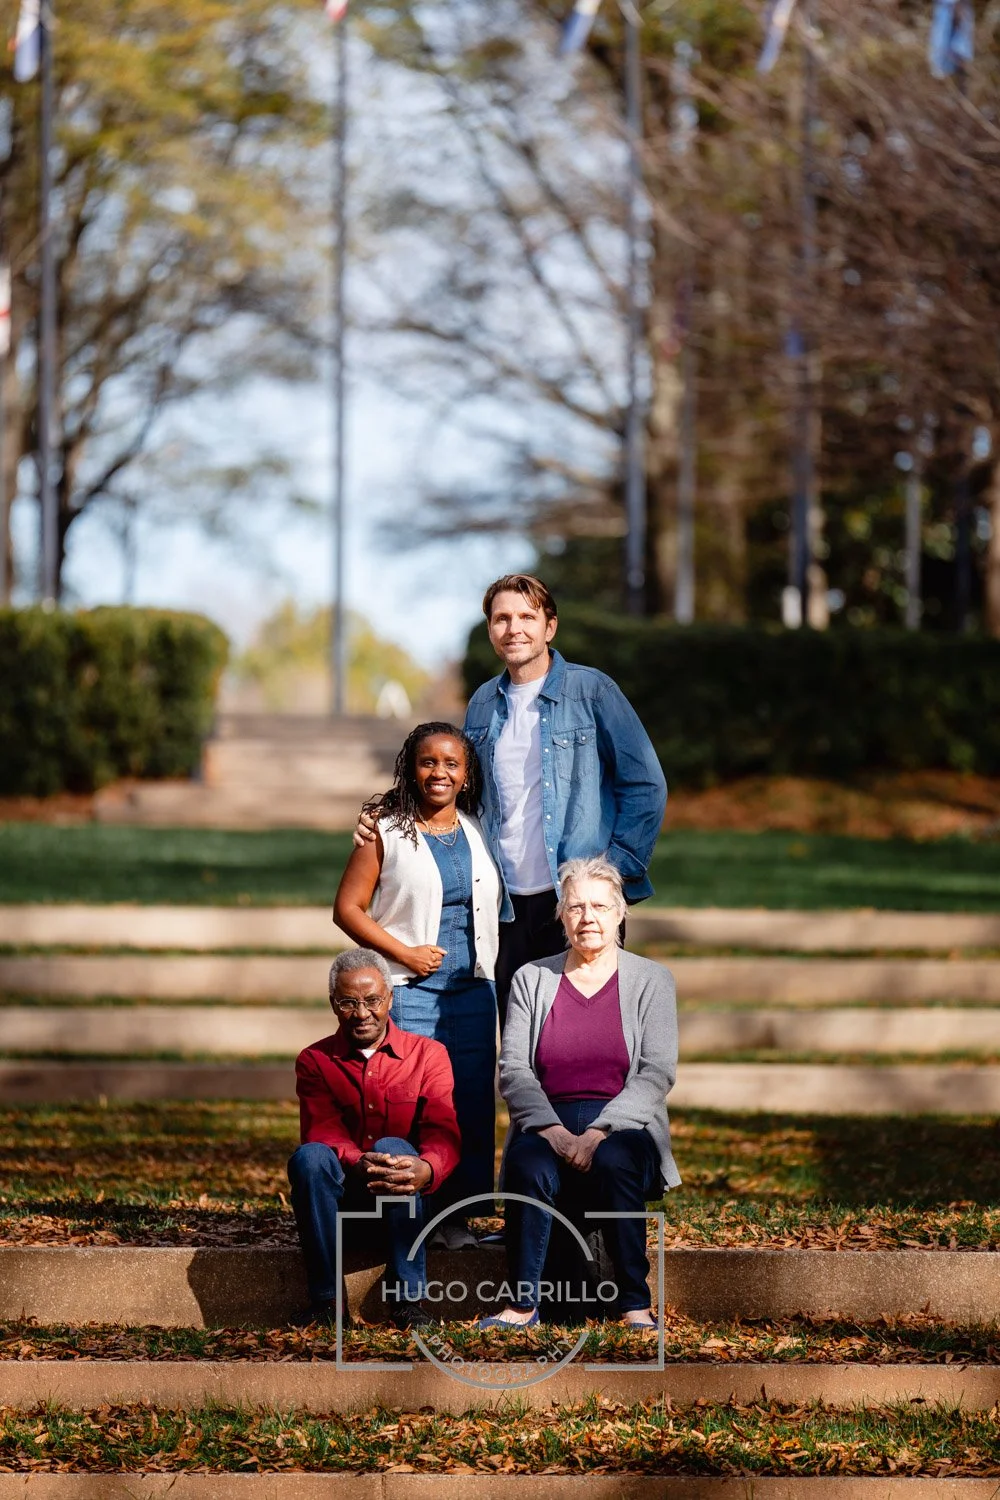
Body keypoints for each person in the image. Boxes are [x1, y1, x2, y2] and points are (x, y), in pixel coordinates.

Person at [355, 574, 667, 1024]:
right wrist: (387, 815)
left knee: (581, 1039)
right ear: (490, 630)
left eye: (526, 617)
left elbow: (646, 785)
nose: (514, 628)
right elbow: (460, 790)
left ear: (549, 627)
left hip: (573, 896)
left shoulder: (592, 690)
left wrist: (610, 873)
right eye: (502, 618)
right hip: (502, 904)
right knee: (519, 1039)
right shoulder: (483, 702)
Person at [481, 856, 679, 1330]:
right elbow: (514, 1069)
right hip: (547, 1125)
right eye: (575, 907)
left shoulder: (652, 980)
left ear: (620, 913)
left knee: (614, 1160)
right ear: (560, 916)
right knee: (527, 1164)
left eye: (599, 906)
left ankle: (634, 1303)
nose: (587, 917)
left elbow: (656, 1073)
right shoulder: (532, 978)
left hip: (625, 1129)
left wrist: (596, 1133)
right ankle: (523, 1304)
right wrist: (551, 1130)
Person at [334, 722, 502, 1249]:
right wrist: (402, 952)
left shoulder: (479, 829)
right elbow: (346, 909)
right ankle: (412, 1219)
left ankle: (459, 1217)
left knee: (471, 1103)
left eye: (452, 764)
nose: (440, 773)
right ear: (411, 766)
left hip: (475, 990)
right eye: (429, 762)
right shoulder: (386, 830)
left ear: (467, 775)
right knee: (413, 1104)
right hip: (411, 989)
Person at [287, 947, 461, 1328]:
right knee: (310, 1157)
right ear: (333, 1004)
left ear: (390, 999)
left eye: (372, 1000)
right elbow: (321, 1130)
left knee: (394, 1149)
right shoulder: (314, 1061)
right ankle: (327, 1303)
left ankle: (408, 1302)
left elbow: (442, 1130)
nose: (362, 1013)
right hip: (342, 1204)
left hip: (408, 1208)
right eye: (349, 1002)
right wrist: (359, 1160)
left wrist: (427, 1169)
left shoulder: (429, 1055)